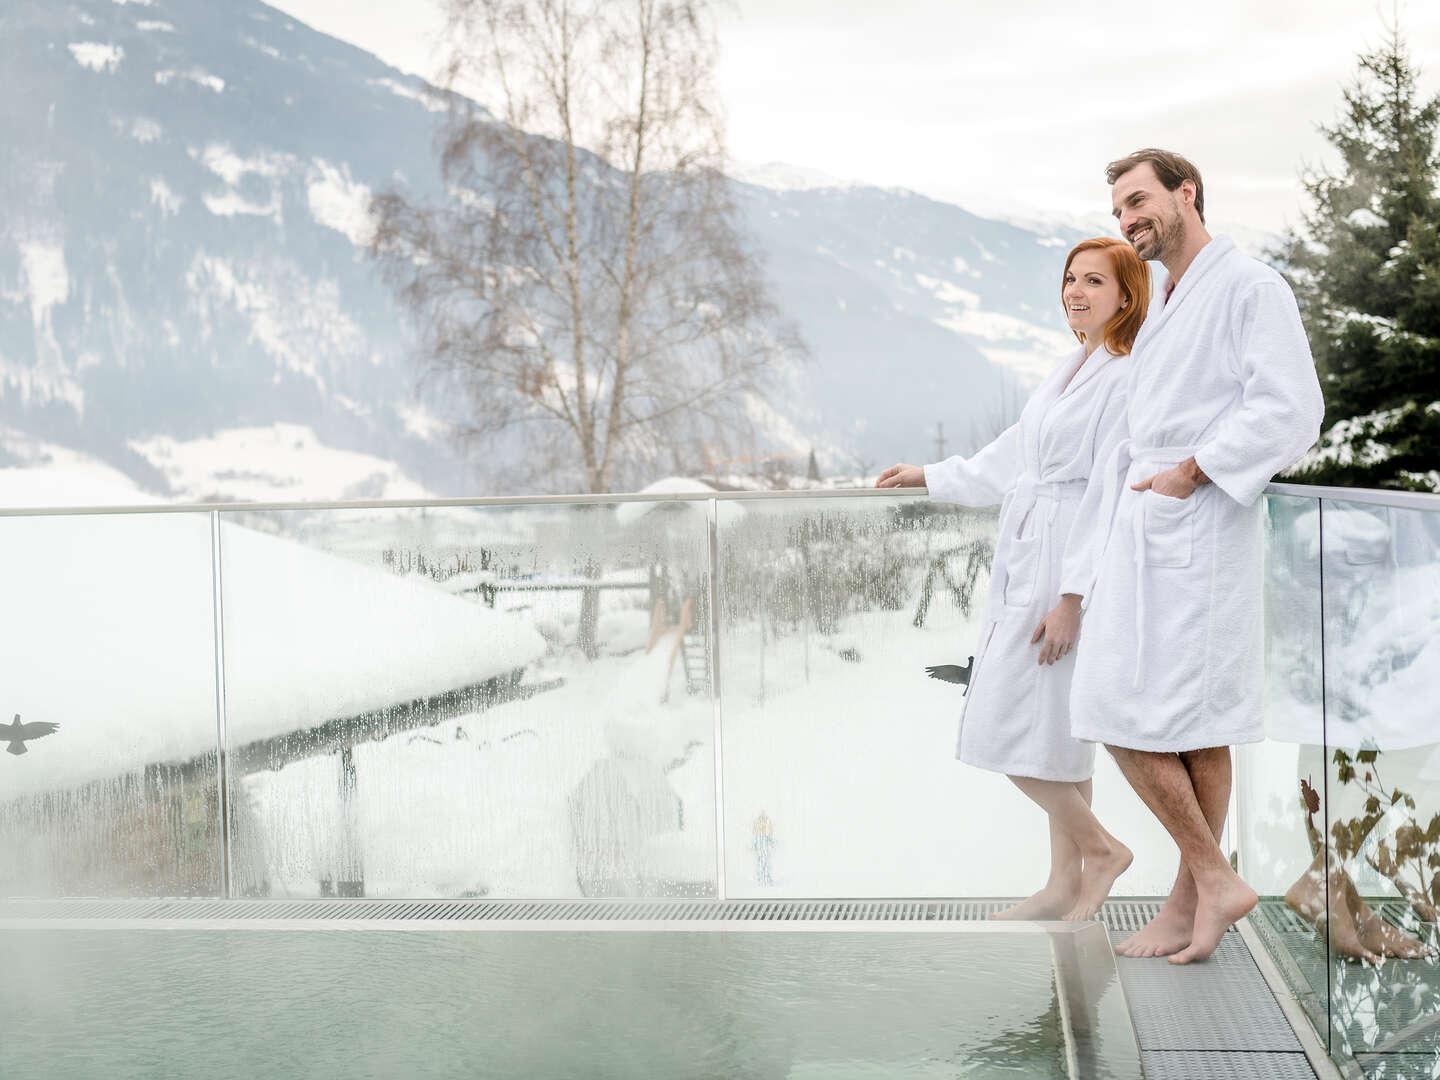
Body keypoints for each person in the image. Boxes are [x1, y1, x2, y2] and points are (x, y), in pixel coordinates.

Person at [1069, 149, 1325, 964]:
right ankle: (1198, 897)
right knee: (1172, 722)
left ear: (1188, 193)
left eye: (1138, 200)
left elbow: (1292, 408)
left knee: (1149, 711)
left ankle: (1208, 883)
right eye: (1118, 210)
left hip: (1199, 525)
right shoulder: (1174, 298)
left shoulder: (1250, 287)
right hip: (1149, 530)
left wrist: (1194, 468)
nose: (1127, 219)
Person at [877, 237, 1147, 921]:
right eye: (1069, 279)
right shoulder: (1073, 365)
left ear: (1126, 293)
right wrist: (932, 475)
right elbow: (1014, 457)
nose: (1076, 292)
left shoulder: (1123, 375)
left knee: (1000, 723)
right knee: (1057, 731)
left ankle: (1104, 852)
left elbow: (1104, 497)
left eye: (1094, 281)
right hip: (1034, 552)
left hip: (1062, 568)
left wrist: (1071, 598)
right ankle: (1065, 883)